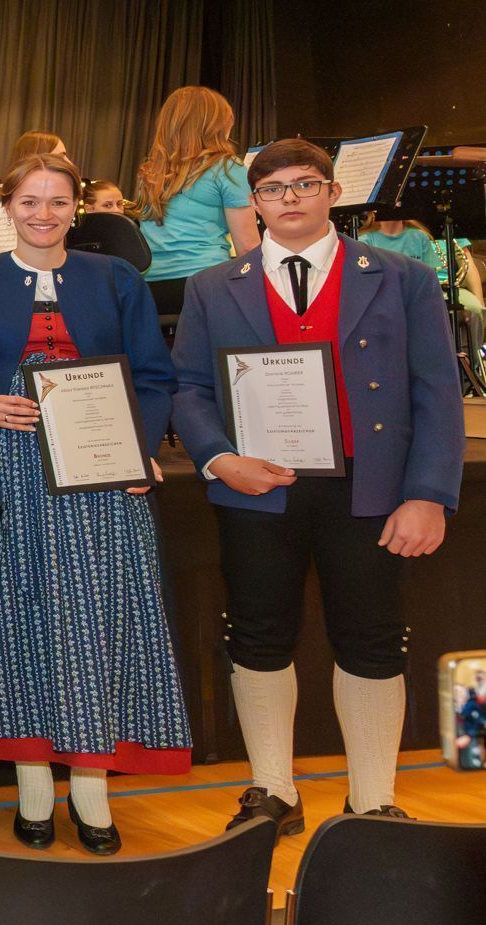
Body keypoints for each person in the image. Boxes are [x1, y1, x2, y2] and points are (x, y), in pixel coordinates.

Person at [171, 137, 465, 831]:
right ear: (257, 203)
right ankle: (272, 791)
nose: (290, 199)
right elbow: (187, 388)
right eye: (273, 190)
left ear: (333, 192)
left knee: (371, 637)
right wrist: (218, 458)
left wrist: (428, 493)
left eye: (306, 185)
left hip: (371, 486)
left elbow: (438, 392)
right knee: (257, 635)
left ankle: (371, 800)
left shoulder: (401, 277)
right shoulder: (214, 285)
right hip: (255, 486)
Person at [0, 152, 189, 854]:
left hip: (100, 469)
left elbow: (154, 375)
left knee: (96, 616)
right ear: (7, 207)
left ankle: (92, 789)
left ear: (78, 209)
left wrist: (137, 449)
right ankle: (34, 787)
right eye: (30, 202)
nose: (43, 214)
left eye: (57, 203)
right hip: (5, 466)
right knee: (17, 617)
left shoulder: (117, 279)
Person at [134, 86, 259, 317]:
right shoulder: (228, 168)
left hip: (151, 287)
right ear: (215, 126)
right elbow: (248, 247)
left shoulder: (150, 171)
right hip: (205, 282)